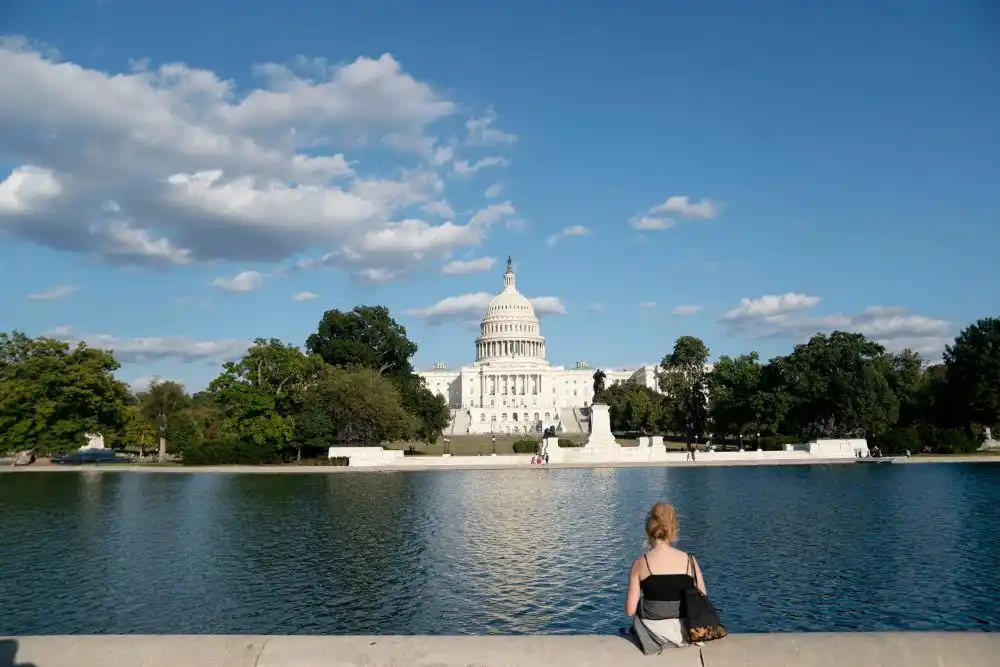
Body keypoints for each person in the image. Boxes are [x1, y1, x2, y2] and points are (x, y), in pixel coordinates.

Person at [623, 503, 706, 654]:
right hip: (687, 631)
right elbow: (702, 598)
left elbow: (630, 610)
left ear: (648, 531)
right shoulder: (690, 561)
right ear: (673, 530)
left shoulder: (641, 563)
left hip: (654, 632)